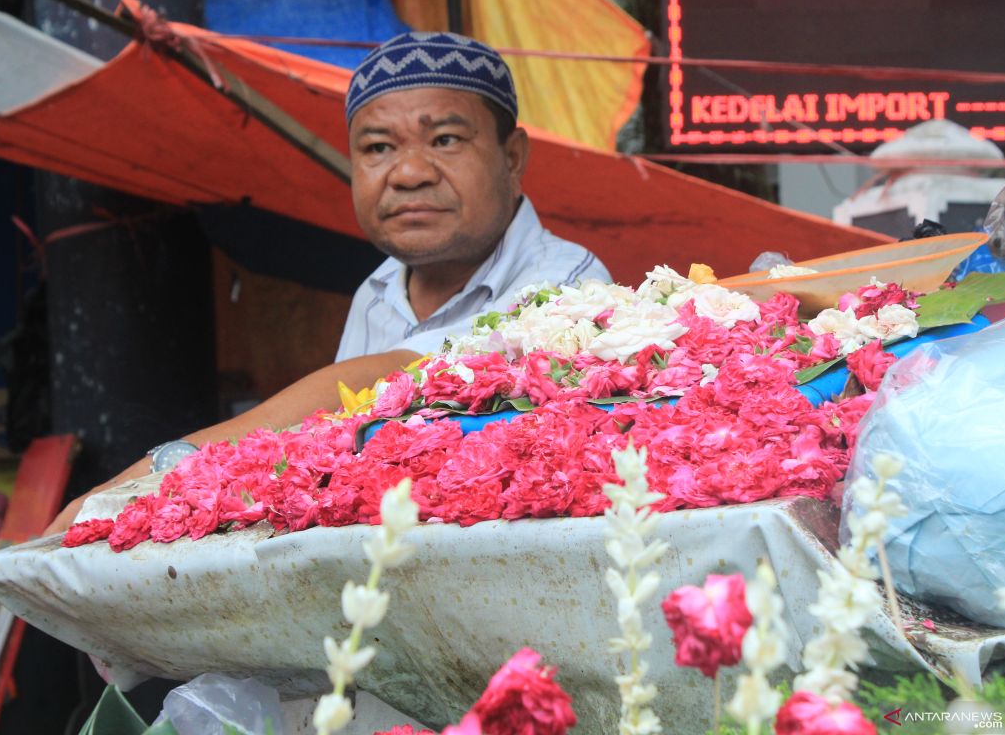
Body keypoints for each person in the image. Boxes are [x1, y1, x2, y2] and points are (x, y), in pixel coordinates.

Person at [44, 32, 610, 534]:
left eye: (445, 140)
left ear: (512, 158)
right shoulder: (379, 291)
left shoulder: (570, 286)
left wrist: (164, 470)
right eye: (378, 148)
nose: (410, 173)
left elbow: (397, 377)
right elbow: (336, 443)